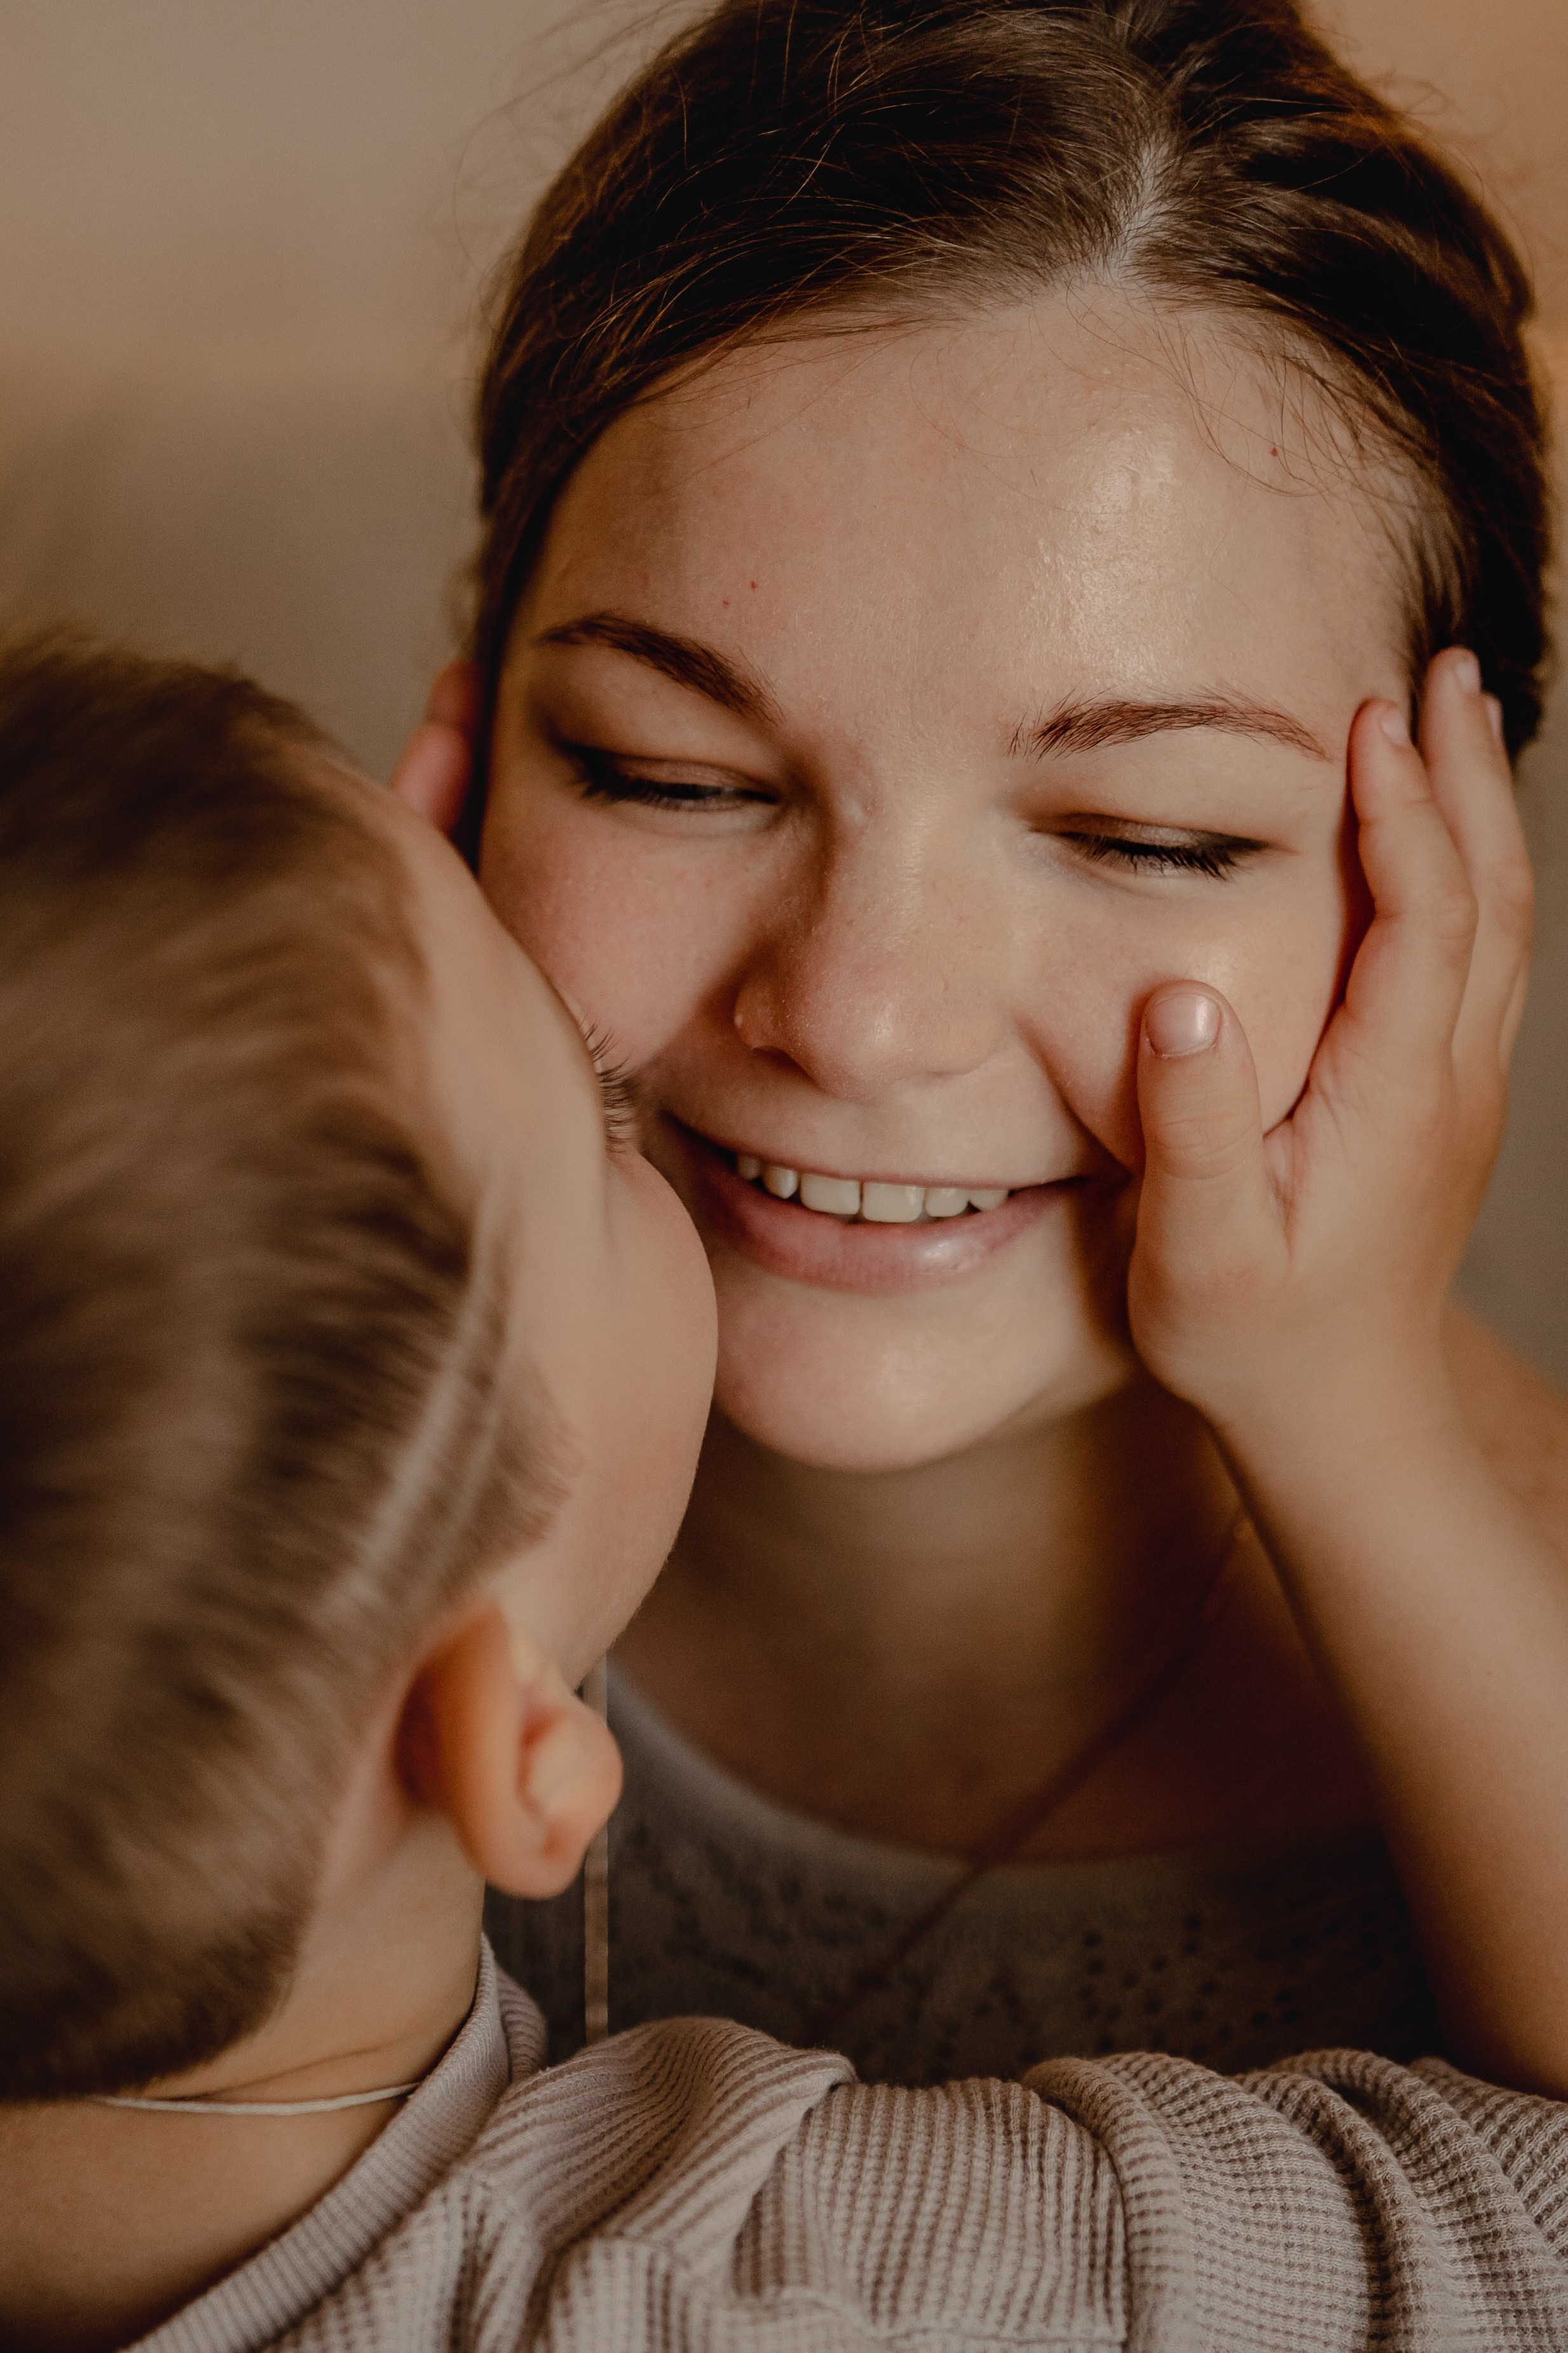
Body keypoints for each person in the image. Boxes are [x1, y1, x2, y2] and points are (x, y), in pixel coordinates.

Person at [3, 631, 1568, 2353]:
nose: (853, 1025)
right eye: (591, 1116)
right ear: (518, 1760)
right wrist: (1351, 1395)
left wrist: (275, 1012)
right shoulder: (790, 2289)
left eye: (1151, 837)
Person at [391, 0, 1568, 2085]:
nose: (854, 1016)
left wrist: (1348, 1416)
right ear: (470, 756)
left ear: (1441, 898)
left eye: (1145, 836)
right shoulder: (128, 1494)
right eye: (670, 775)